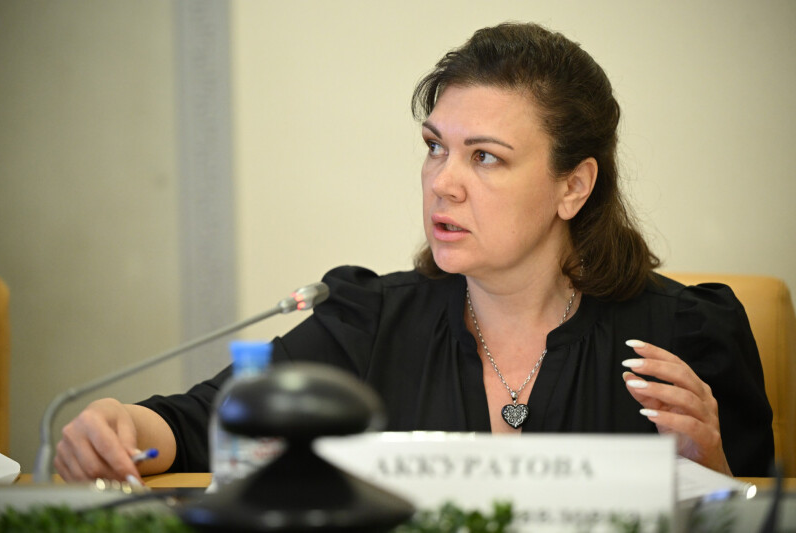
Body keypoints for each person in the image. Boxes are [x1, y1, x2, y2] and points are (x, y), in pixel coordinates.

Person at [54, 22, 773, 483]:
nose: (442, 183)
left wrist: (710, 467)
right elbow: (201, 427)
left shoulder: (685, 337)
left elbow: (759, 501)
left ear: (573, 186)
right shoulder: (368, 323)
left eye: (485, 157)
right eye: (435, 147)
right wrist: (121, 429)